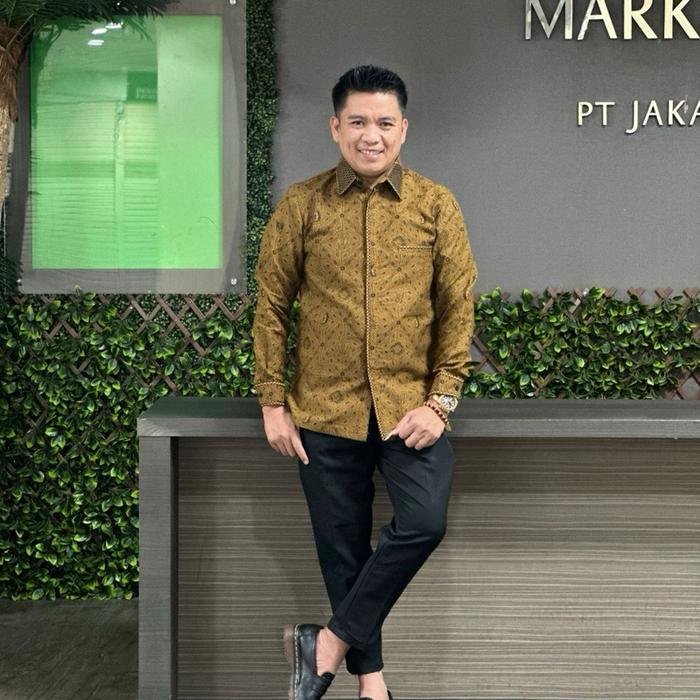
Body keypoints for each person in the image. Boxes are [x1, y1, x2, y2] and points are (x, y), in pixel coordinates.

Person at [252, 64, 478, 700]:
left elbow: (457, 308)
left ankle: (324, 645)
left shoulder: (436, 205)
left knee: (424, 522)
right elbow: (271, 306)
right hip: (324, 410)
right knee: (343, 550)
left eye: (383, 122)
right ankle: (371, 684)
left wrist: (441, 401)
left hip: (410, 410)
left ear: (404, 128)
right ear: (335, 127)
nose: (370, 135)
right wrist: (272, 400)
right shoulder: (302, 204)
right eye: (357, 121)